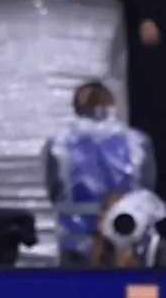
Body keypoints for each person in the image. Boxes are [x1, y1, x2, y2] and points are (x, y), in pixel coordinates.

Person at [42, 82, 155, 266]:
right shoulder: (137, 142)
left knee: (79, 293)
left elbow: (54, 191)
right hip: (126, 238)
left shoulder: (58, 144)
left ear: (76, 107)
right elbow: (147, 187)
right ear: (112, 104)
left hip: (76, 240)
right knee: (133, 292)